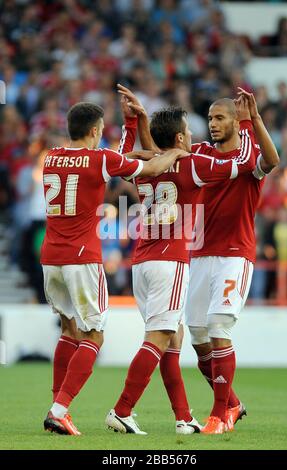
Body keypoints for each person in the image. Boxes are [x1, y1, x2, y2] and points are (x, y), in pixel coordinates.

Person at [105, 86, 257, 435]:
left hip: (141, 261)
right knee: (159, 339)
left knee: (172, 341)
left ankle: (183, 417)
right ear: (178, 137)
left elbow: (123, 156)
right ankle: (122, 408)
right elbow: (246, 162)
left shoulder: (143, 164)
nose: (194, 135)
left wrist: (132, 121)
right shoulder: (192, 165)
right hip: (170, 261)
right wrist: (246, 123)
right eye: (189, 131)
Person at [41, 101, 188, 436]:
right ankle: (59, 409)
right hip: (82, 257)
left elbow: (122, 159)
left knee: (68, 329)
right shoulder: (100, 159)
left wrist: (131, 126)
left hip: (50, 256)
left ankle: (56, 406)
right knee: (94, 334)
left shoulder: (51, 156)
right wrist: (176, 154)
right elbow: (149, 169)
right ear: (95, 131)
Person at [185, 89, 280, 434]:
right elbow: (166, 154)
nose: (212, 124)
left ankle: (218, 415)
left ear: (235, 121)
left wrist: (255, 119)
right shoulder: (200, 153)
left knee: (218, 328)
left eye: (220, 117)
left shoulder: (250, 153)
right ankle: (234, 403)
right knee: (197, 337)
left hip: (234, 255)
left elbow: (272, 162)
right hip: (198, 254)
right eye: (210, 118)